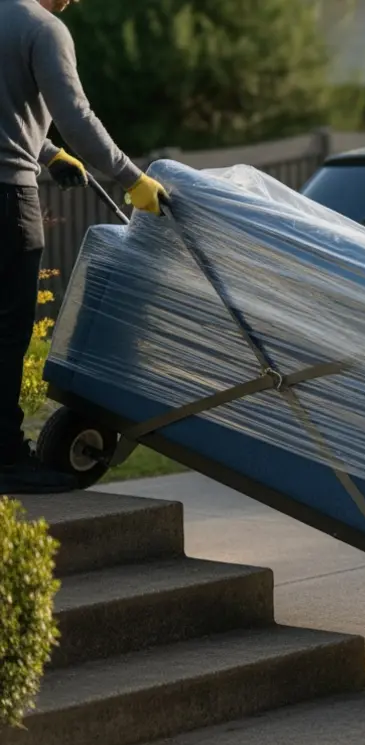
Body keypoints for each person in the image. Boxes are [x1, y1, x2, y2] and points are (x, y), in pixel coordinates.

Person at [1, 0, 167, 494]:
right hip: (6, 199)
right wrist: (131, 178)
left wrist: (49, 154)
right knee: (7, 331)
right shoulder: (43, 28)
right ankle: (6, 458)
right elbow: (76, 114)